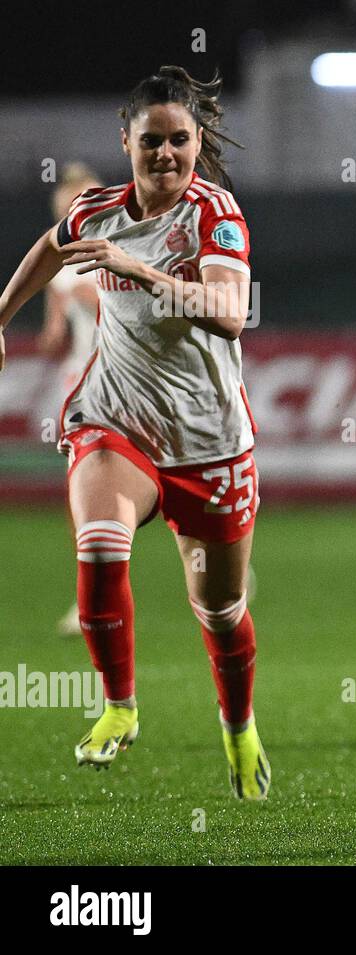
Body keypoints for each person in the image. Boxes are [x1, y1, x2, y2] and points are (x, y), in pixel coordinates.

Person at [0, 66, 270, 799]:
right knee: (97, 548)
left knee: (220, 610)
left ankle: (238, 725)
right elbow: (52, 246)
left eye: (179, 140)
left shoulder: (215, 216)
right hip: (116, 424)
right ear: (127, 141)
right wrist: (1, 312)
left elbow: (228, 309)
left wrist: (138, 269)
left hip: (209, 443)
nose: (166, 155)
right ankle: (119, 705)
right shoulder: (97, 210)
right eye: (151, 141)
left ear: (196, 142)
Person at [41, 163, 106, 636]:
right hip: (85, 387)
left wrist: (96, 300)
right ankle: (85, 602)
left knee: (170, 480)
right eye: (67, 207)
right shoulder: (59, 265)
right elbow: (52, 337)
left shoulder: (125, 250)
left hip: (137, 382)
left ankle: (221, 564)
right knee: (80, 496)